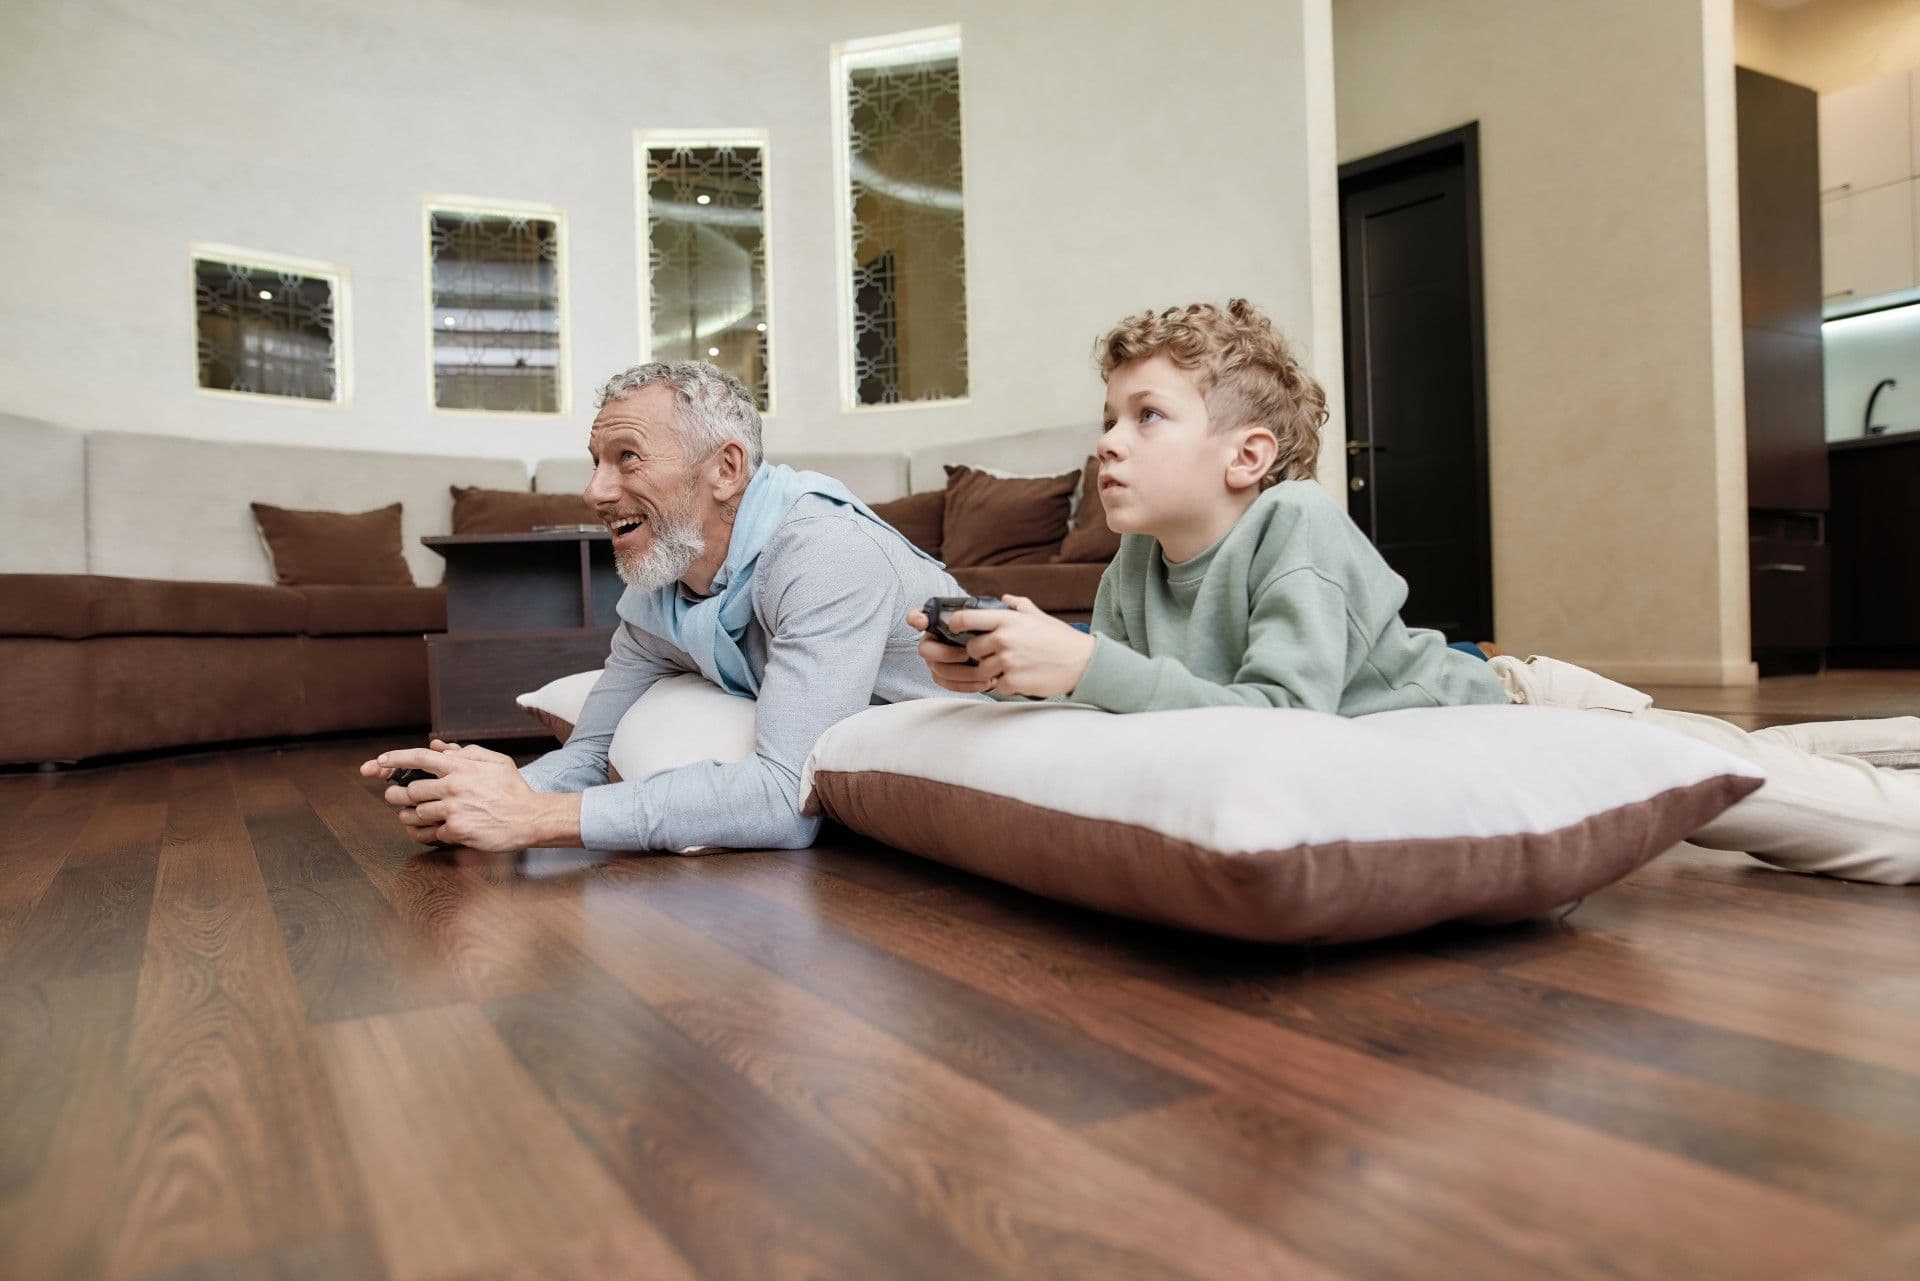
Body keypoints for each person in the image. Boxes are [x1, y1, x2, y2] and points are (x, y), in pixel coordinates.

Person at [913, 299, 1920, 884]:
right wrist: (1014, 670)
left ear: (1247, 455)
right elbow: (1138, 702)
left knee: (1766, 796)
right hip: (1489, 704)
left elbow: (1281, 714)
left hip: (1523, 708)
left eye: (1146, 417)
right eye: (1109, 416)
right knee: (1754, 751)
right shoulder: (1136, 560)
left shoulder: (1293, 525)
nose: (1107, 441)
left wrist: (1088, 661)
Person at [363, 361, 967, 853]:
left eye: (627, 457)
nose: (594, 491)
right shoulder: (664, 586)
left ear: (725, 469)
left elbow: (788, 798)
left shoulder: (824, 553)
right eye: (595, 462)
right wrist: (477, 795)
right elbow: (592, 752)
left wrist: (537, 817)